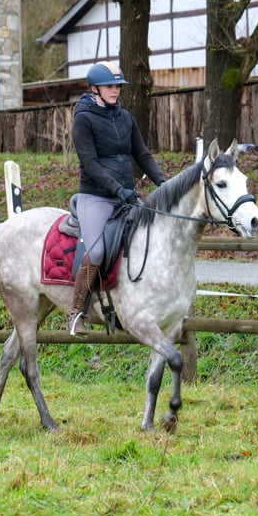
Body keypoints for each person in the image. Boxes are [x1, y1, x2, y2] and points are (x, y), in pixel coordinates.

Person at [67, 60, 167, 335]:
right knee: (97, 251)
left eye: (118, 86)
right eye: (111, 86)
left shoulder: (124, 117)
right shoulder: (83, 119)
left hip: (125, 196)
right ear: (95, 88)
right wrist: (117, 189)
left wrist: (163, 182)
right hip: (96, 196)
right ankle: (77, 312)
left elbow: (142, 154)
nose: (116, 91)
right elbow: (91, 164)